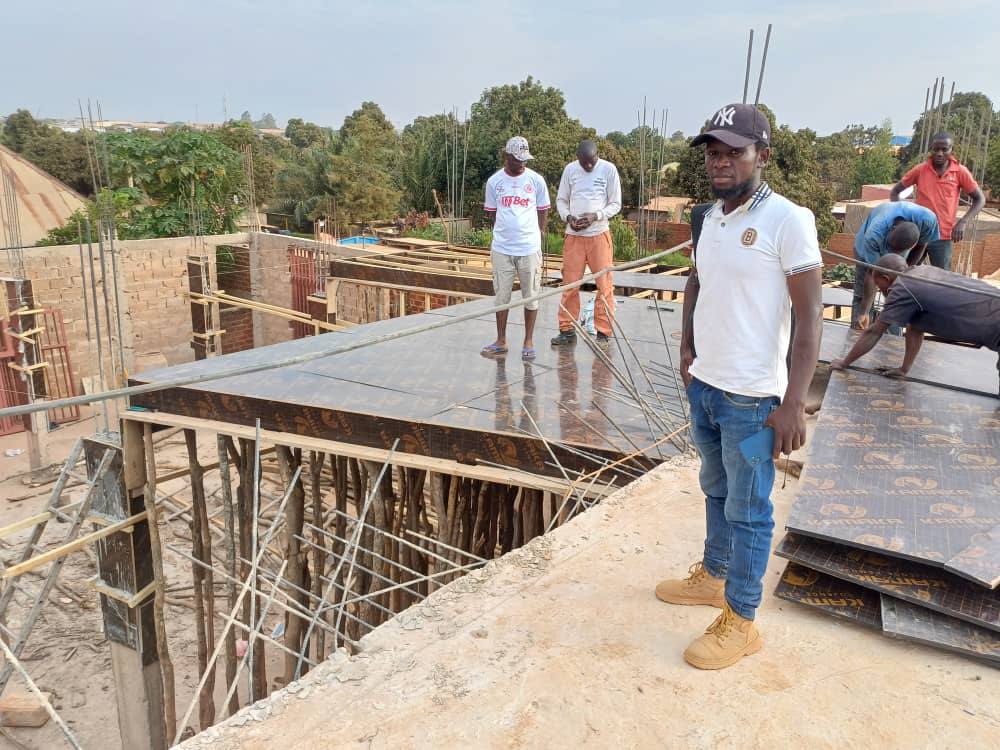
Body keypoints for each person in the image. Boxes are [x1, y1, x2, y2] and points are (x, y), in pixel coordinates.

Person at [655, 104, 823, 670]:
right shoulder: (709, 217)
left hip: (752, 399)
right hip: (707, 387)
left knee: (750, 509)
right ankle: (714, 574)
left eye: (734, 152)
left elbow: (810, 319)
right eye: (713, 152)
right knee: (715, 488)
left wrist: (793, 402)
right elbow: (697, 282)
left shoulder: (788, 220)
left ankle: (742, 619)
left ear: (762, 155)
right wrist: (687, 348)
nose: (720, 162)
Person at [830, 253, 1000, 394]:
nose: (880, 291)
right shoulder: (922, 271)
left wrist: (844, 362)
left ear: (886, 278)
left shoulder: (903, 287)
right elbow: (916, 326)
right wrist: (904, 369)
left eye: (879, 286)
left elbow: (874, 332)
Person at [481, 136, 550, 360]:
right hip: (502, 249)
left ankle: (528, 340)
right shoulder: (494, 182)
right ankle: (501, 340)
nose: (522, 163)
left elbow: (543, 210)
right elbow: (492, 214)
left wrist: (538, 233)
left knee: (531, 296)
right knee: (502, 297)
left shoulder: (536, 180)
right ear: (507, 156)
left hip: (529, 248)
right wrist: (506, 232)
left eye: (525, 159)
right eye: (518, 159)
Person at [551, 140, 622, 346]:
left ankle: (603, 332)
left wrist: (595, 216)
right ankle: (567, 330)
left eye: (592, 161)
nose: (588, 166)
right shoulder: (570, 170)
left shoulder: (608, 169)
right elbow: (561, 200)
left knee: (604, 285)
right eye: (584, 163)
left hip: (599, 234)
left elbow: (615, 203)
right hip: (574, 236)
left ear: (597, 155)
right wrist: (568, 217)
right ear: (578, 158)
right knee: (570, 285)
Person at [890, 132, 985, 270]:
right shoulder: (920, 170)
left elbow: (980, 199)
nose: (939, 153)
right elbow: (895, 192)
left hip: (943, 236)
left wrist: (962, 222)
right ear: (931, 149)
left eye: (944, 149)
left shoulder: (960, 172)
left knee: (942, 278)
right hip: (919, 233)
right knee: (905, 272)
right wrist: (900, 219)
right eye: (936, 149)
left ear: (951, 149)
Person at [852, 202, 939, 329]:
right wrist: (864, 312)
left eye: (898, 251)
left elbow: (922, 245)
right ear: (892, 229)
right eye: (891, 247)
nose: (891, 254)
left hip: (903, 252)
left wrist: (904, 274)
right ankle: (859, 329)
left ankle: (892, 336)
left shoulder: (928, 221)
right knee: (862, 296)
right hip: (867, 248)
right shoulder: (873, 236)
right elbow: (872, 274)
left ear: (912, 245)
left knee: (898, 296)